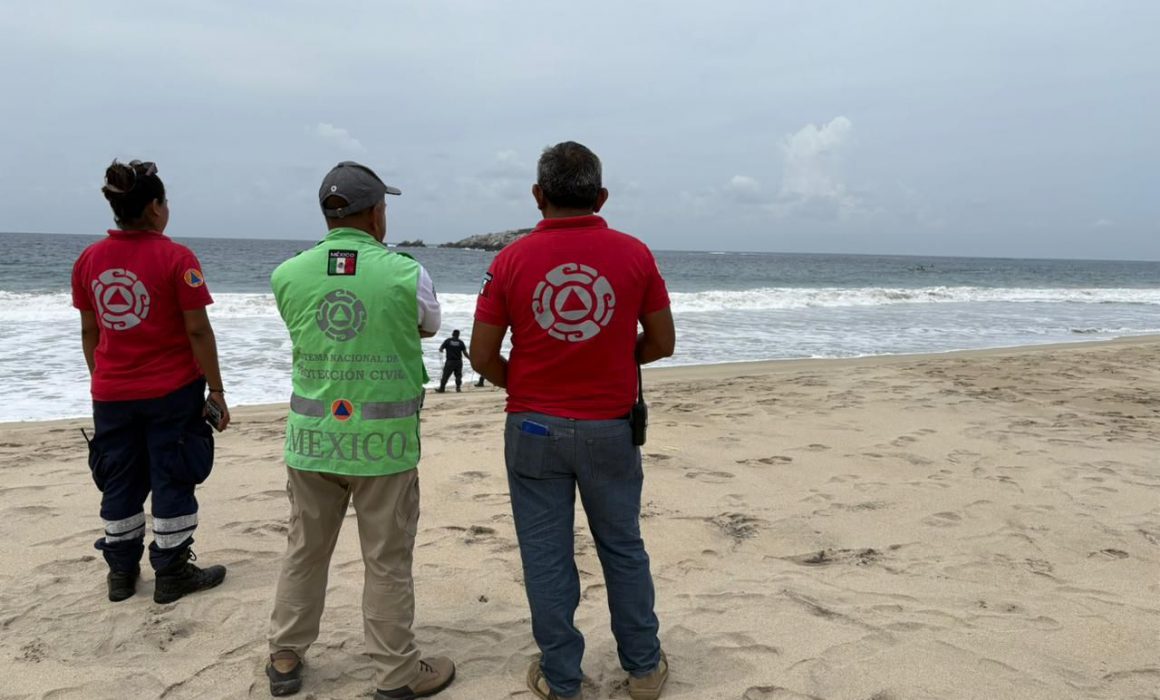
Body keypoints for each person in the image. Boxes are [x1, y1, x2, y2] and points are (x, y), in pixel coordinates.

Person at [470, 142, 676, 700]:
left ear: (538, 196)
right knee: (623, 546)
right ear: (601, 197)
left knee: (546, 556)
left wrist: (528, 385)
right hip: (611, 428)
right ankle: (642, 668)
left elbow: (481, 355)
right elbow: (663, 342)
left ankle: (563, 679)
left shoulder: (508, 261)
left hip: (533, 428)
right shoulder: (635, 254)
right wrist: (616, 355)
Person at [265, 161, 455, 700]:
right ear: (376, 213)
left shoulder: (288, 273)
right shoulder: (404, 271)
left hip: (311, 439)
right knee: (387, 561)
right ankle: (395, 675)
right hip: (384, 446)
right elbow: (428, 324)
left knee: (304, 549)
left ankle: (284, 657)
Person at [72, 159, 229, 604]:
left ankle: (121, 575)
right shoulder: (177, 258)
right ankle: (172, 571)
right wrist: (216, 390)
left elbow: (91, 331)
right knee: (173, 475)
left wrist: (103, 377)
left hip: (111, 393)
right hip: (172, 392)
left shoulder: (89, 260)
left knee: (119, 479)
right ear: (156, 207)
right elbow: (197, 330)